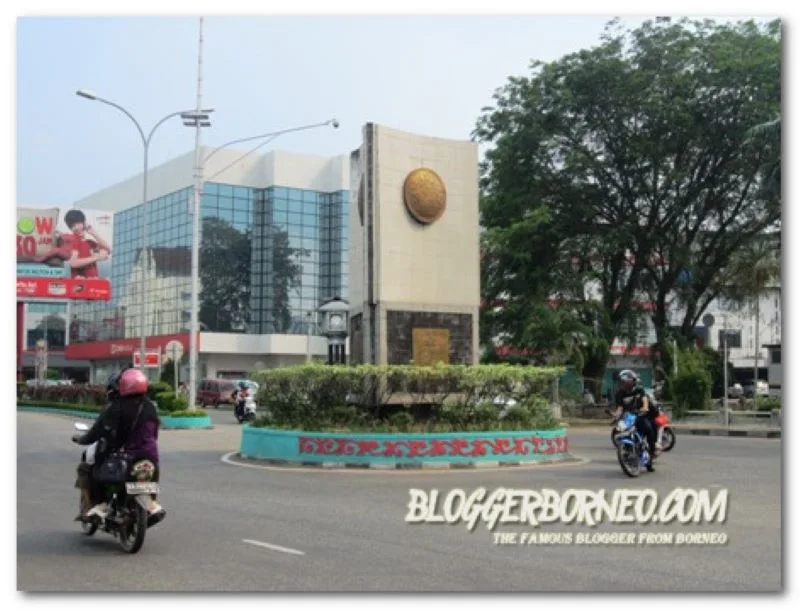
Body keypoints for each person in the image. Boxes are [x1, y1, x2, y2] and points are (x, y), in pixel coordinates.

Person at [72, 368, 166, 526]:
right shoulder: (151, 406)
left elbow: (97, 431)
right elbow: (154, 433)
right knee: (151, 473)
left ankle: (98, 505)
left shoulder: (116, 407)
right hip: (150, 457)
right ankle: (151, 503)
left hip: (123, 456)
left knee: (90, 470)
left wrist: (82, 440)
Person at [33, 209, 111, 278]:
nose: (76, 228)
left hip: (93, 283)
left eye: (77, 223)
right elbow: (73, 263)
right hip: (79, 283)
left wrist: (94, 233)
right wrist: (96, 258)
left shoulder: (89, 242)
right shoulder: (74, 239)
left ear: (84, 223)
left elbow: (108, 250)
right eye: (72, 226)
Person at [612, 369, 658, 468]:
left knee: (649, 429)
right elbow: (620, 407)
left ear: (633, 381)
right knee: (620, 431)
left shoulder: (639, 390)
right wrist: (616, 415)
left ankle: (651, 453)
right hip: (628, 417)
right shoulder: (619, 394)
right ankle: (627, 452)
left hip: (640, 415)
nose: (624, 383)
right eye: (622, 381)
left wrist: (644, 408)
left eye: (626, 381)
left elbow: (644, 400)